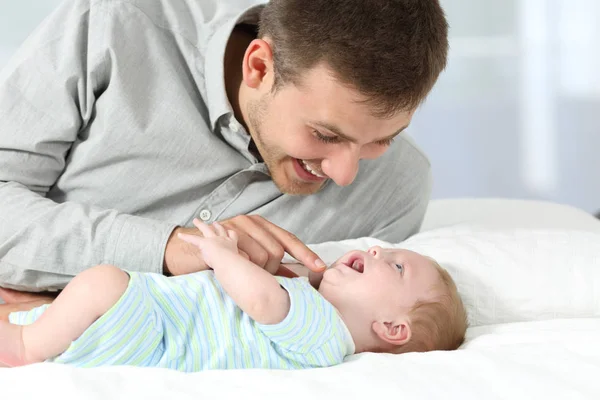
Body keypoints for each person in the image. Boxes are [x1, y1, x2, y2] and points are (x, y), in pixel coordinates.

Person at [0, 1, 449, 311]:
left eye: (380, 140)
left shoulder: (398, 190)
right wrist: (170, 250)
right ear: (259, 67)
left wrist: (59, 298)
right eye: (324, 135)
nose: (347, 175)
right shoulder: (116, 26)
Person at [0, 220, 467, 370]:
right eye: (385, 249)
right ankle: (26, 333)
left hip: (153, 336)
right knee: (73, 305)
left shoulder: (326, 332)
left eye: (398, 266)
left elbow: (261, 301)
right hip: (150, 326)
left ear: (392, 328)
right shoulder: (312, 311)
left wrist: (224, 255)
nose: (377, 250)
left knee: (105, 281)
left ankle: (24, 347)